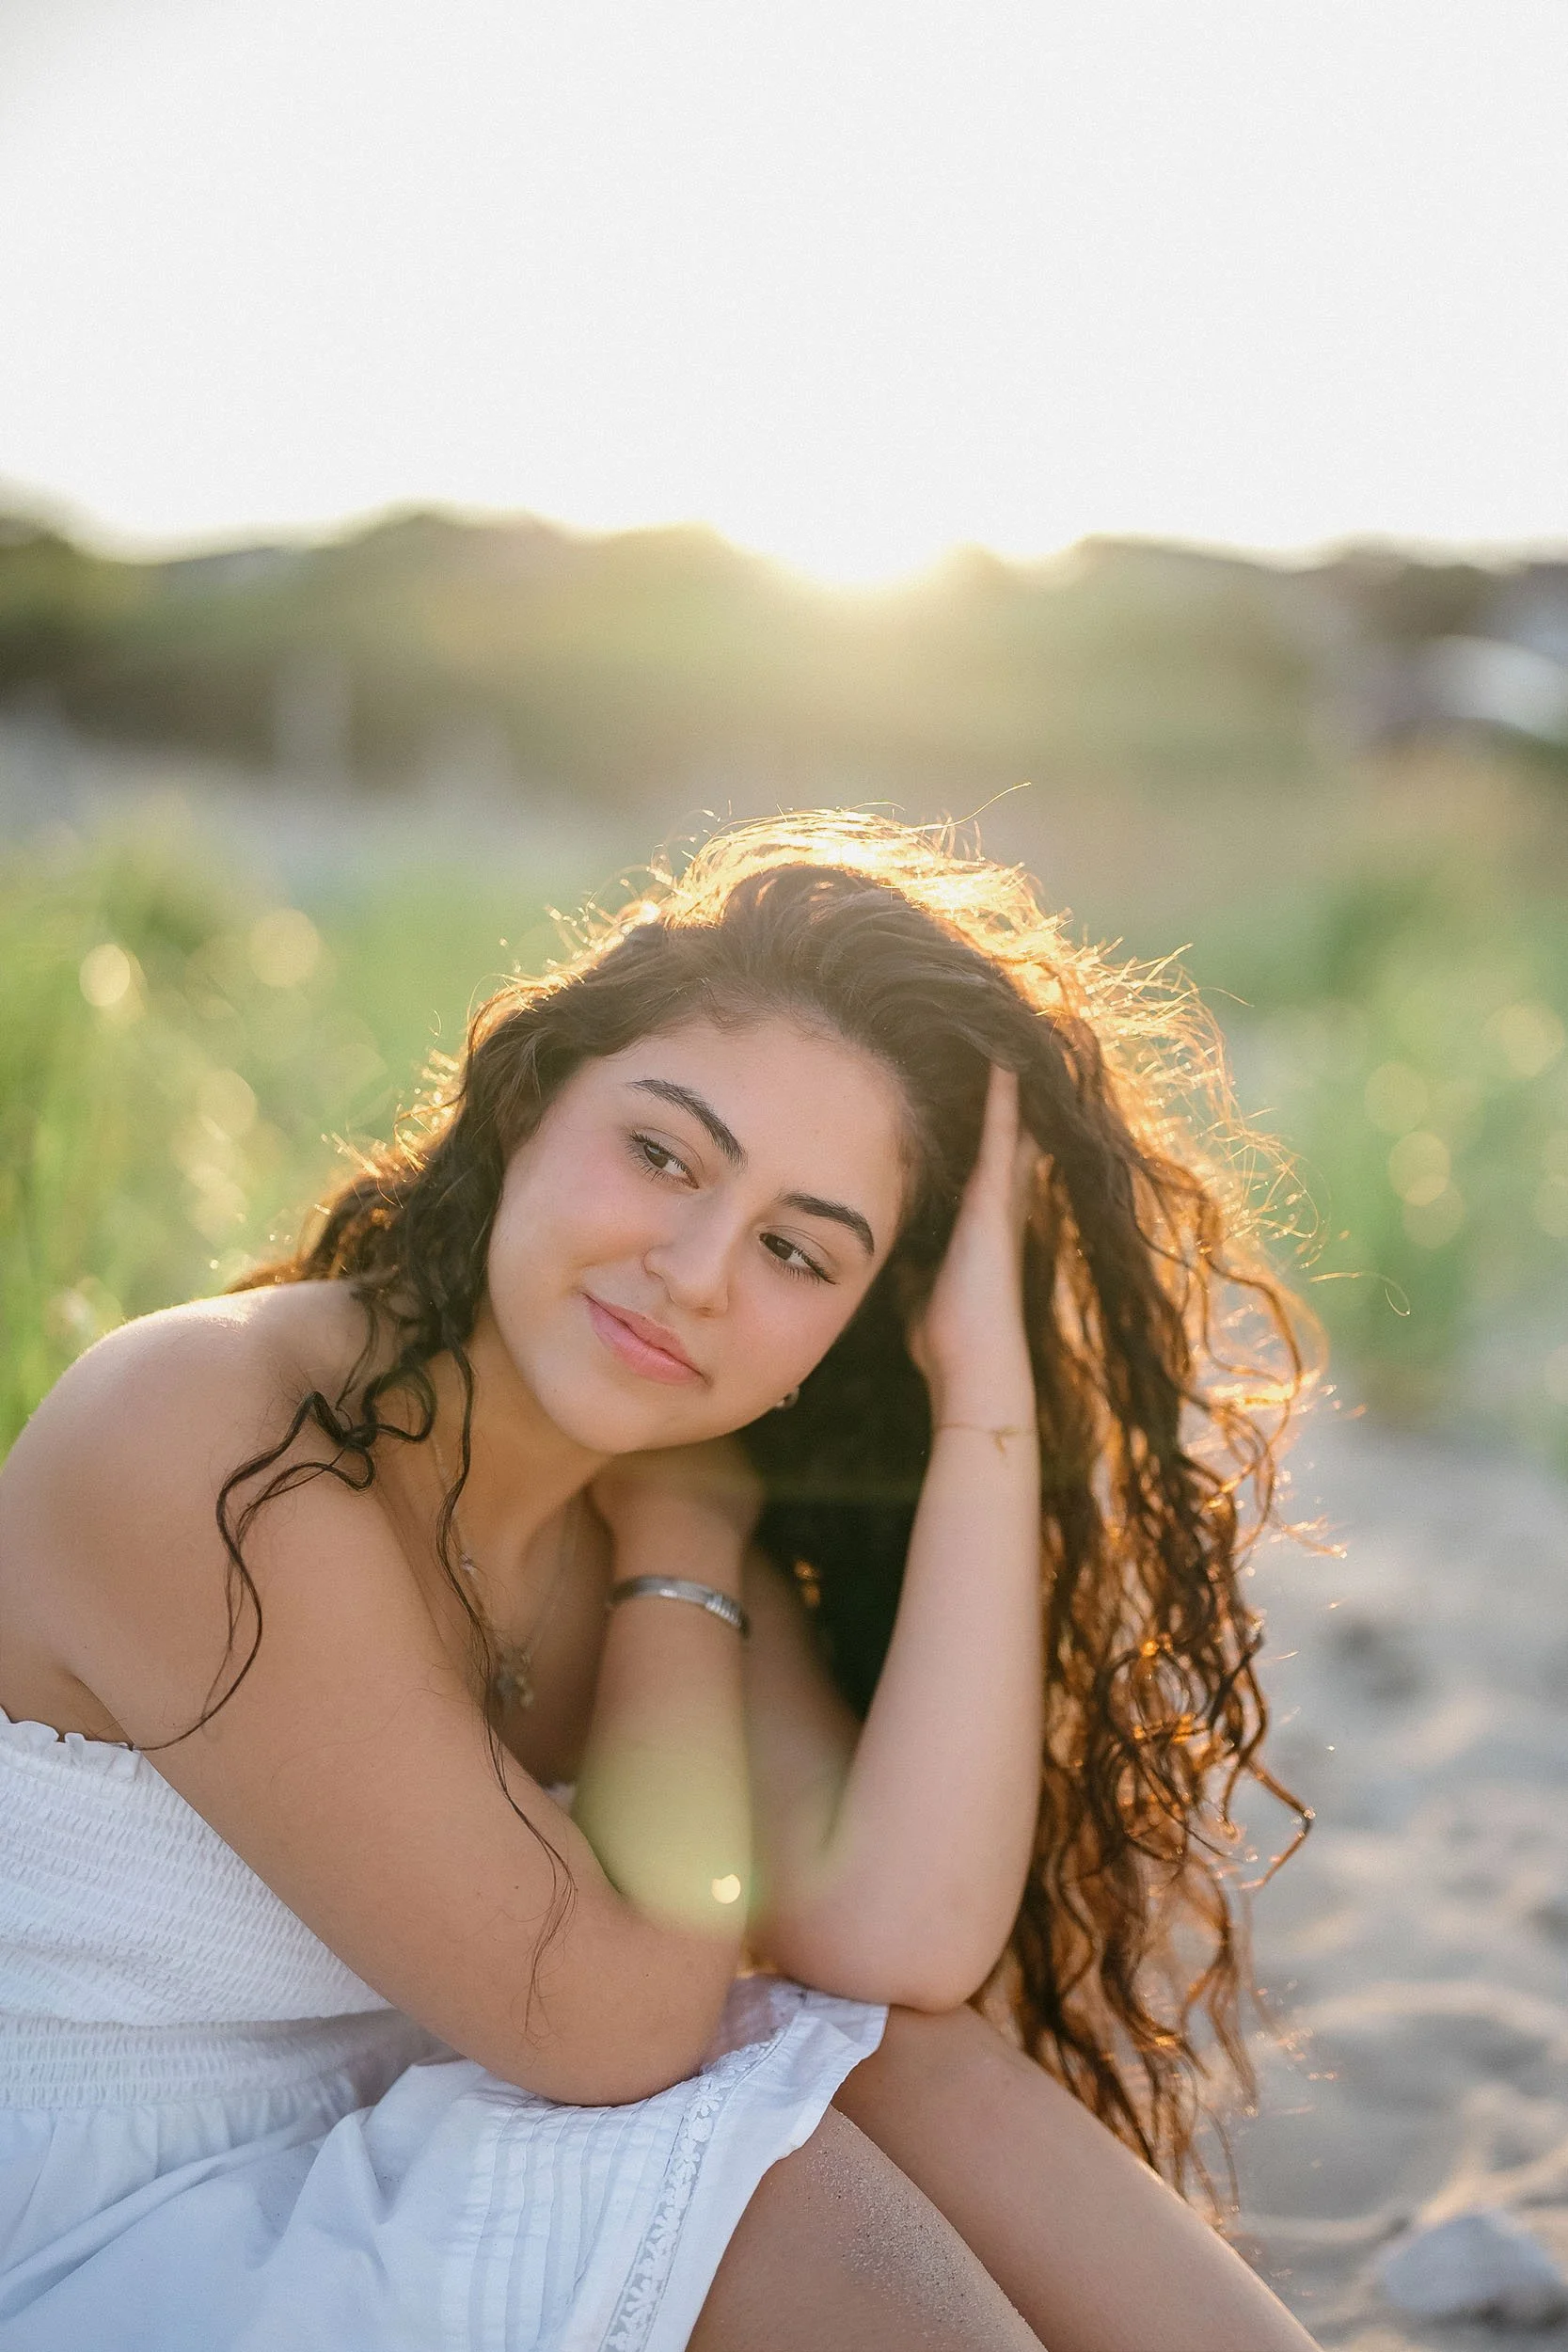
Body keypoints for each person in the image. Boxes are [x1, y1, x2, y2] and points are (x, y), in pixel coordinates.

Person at [0, 812, 1320, 2351]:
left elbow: (898, 1937)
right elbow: (606, 2026)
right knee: (776, 2180)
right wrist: (688, 1553)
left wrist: (979, 1394)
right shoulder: (210, 1432)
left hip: (351, 2173)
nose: (695, 1269)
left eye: (799, 1254)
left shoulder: (630, 1520)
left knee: (888, 2054)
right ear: (529, 1103)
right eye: (660, 1155)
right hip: (87, 2223)